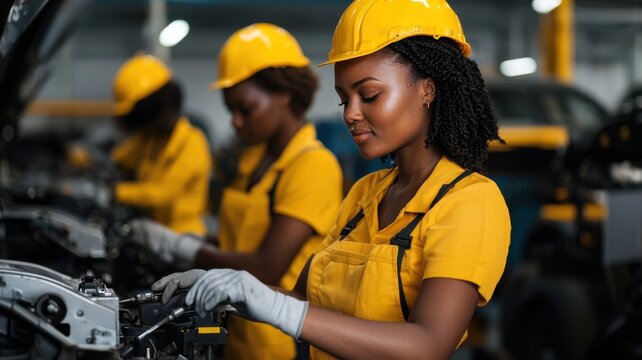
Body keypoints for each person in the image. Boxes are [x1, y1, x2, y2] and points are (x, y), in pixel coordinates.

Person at [154, 0, 512, 357]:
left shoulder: (469, 202)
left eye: (369, 95)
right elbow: (299, 298)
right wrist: (233, 289)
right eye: (345, 100)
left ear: (427, 90)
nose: (352, 114)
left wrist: (276, 305)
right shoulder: (365, 194)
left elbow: (427, 345)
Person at [130, 23, 343, 360]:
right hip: (237, 329)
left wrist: (183, 248)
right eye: (231, 111)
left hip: (278, 342)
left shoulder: (312, 165)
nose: (236, 123)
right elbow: (241, 241)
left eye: (246, 109)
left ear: (284, 93)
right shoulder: (255, 159)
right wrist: (198, 241)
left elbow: (267, 267)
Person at [111, 54, 212, 235]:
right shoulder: (150, 139)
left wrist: (116, 192)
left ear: (158, 109)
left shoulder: (193, 143)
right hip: (152, 233)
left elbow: (163, 194)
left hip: (183, 238)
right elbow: (120, 158)